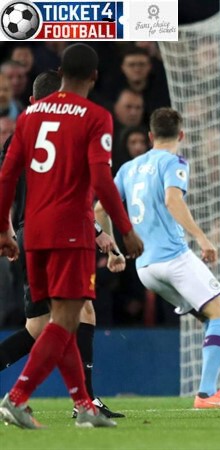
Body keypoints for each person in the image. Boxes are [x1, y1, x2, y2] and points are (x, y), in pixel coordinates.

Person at [96, 107, 220, 409]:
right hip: (173, 257)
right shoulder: (174, 162)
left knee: (213, 319)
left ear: (149, 136)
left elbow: (99, 209)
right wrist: (202, 237)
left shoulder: (129, 168)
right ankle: (206, 393)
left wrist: (114, 251)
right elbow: (173, 200)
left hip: (145, 267)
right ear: (181, 135)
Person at [0, 44, 144, 429]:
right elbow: (100, 180)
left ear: (61, 72)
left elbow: (7, 176)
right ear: (95, 77)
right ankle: (17, 398)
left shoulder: (28, 116)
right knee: (64, 321)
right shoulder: (95, 116)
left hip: (33, 231)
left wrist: (4, 229)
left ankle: (83, 405)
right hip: (69, 231)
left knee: (57, 320)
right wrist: (123, 229)